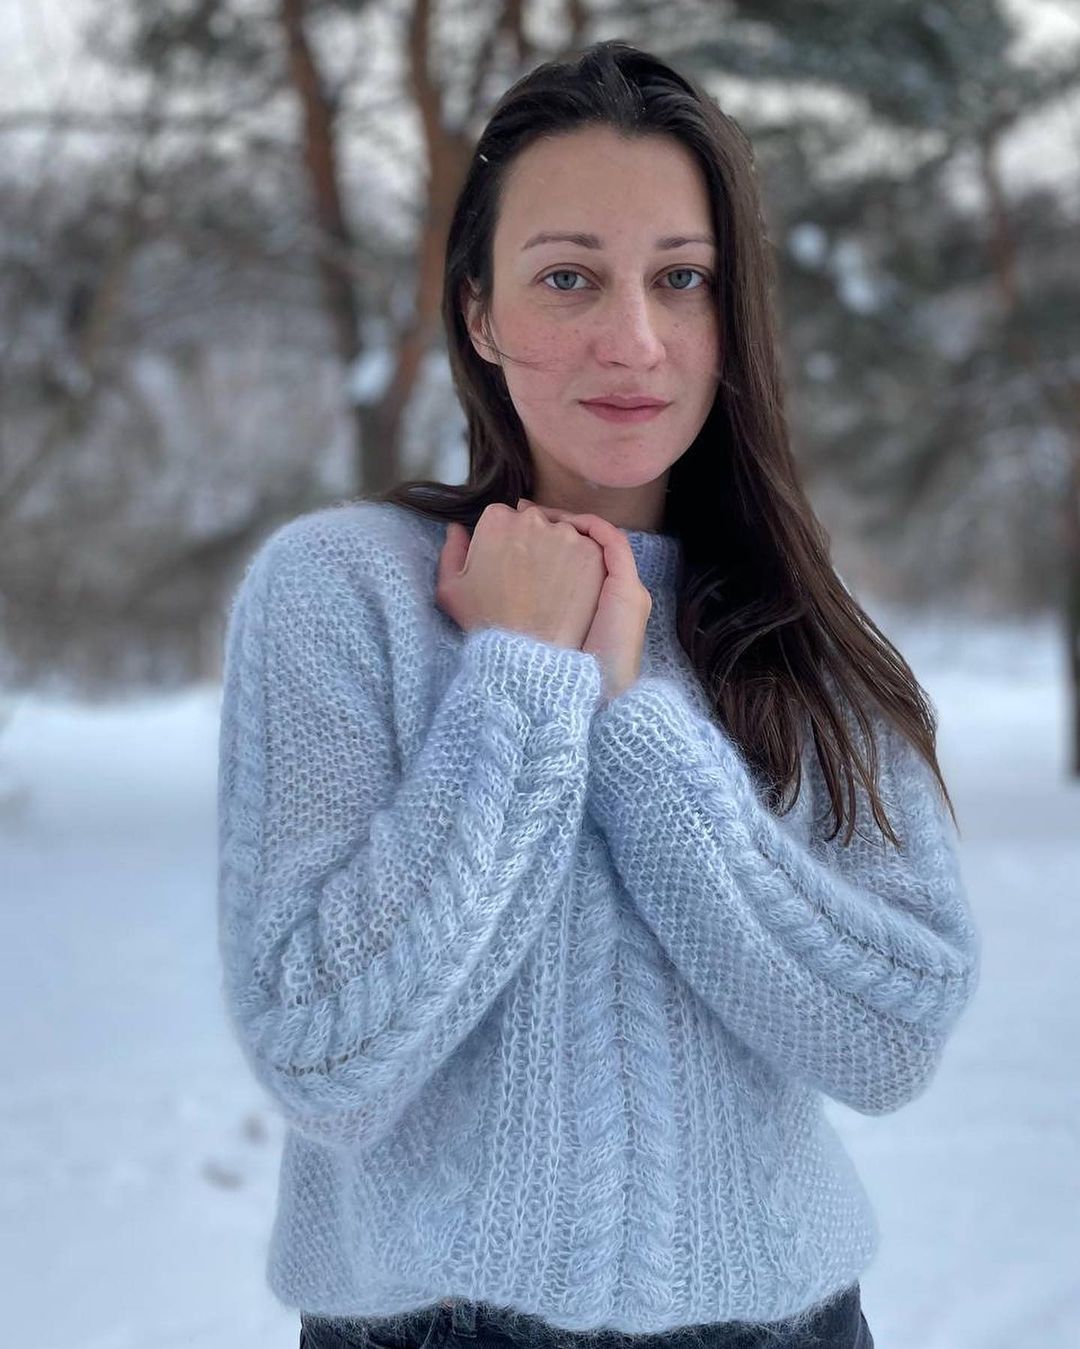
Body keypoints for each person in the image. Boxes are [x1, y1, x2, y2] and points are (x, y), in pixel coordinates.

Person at [216, 39, 982, 1349]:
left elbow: (890, 1034)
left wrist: (630, 723)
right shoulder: (344, 590)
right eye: (568, 277)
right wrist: (520, 679)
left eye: (681, 279)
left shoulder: (796, 624)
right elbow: (323, 1054)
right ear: (479, 312)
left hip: (782, 1327)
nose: (633, 340)